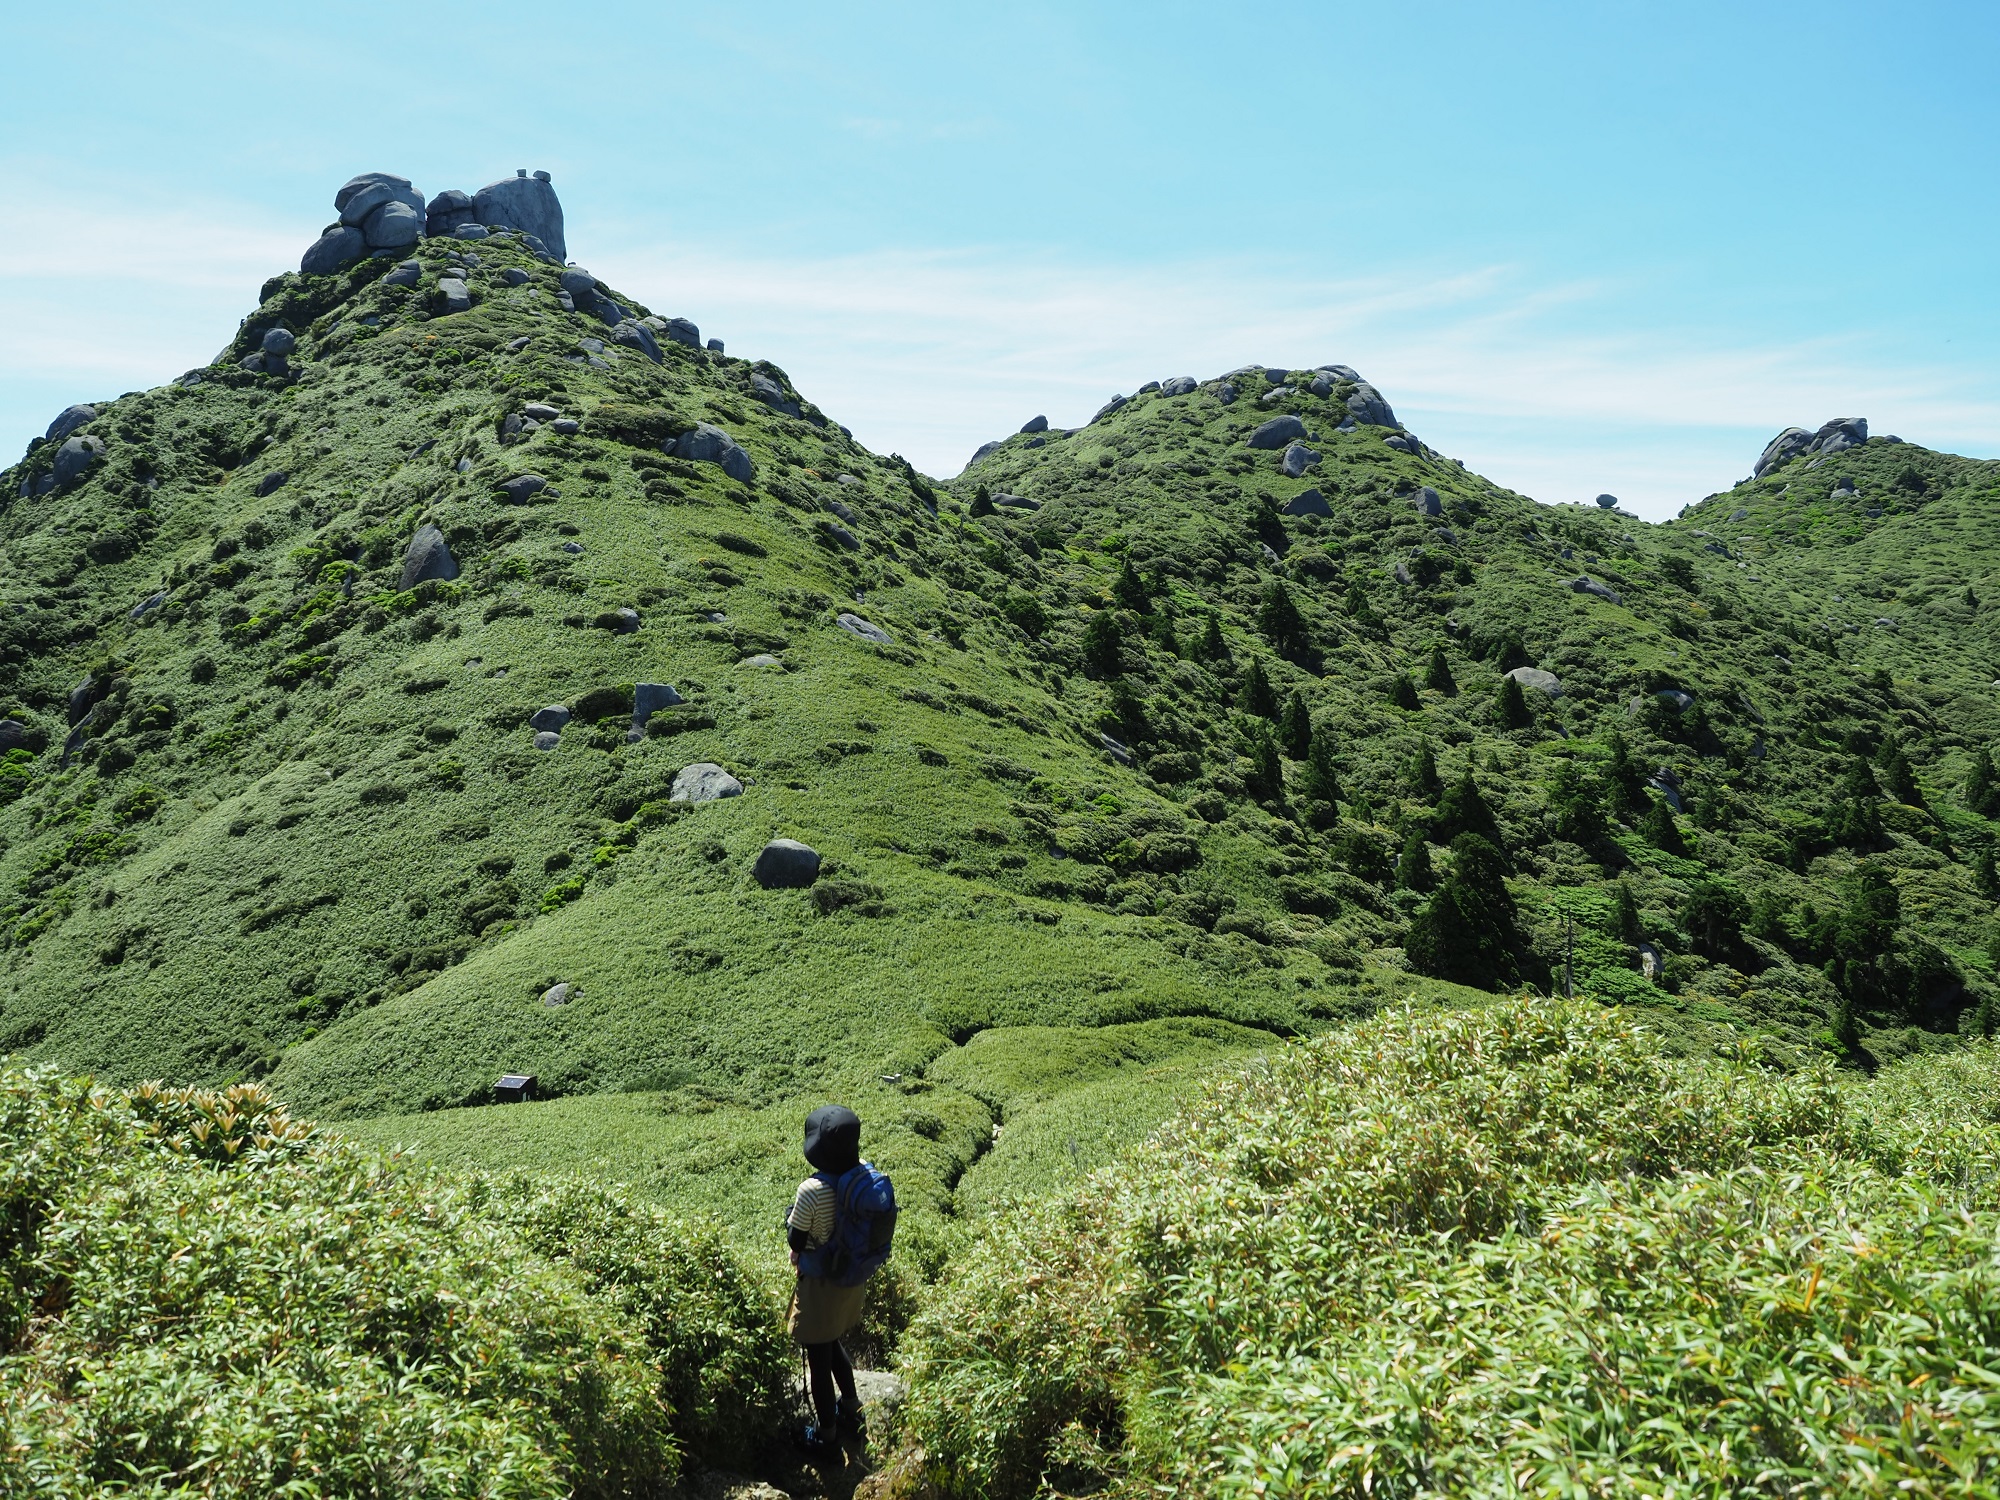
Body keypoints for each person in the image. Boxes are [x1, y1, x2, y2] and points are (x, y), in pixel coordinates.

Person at [787, 1104, 869, 1454]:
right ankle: (852, 1410)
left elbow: (796, 1240)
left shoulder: (811, 1189)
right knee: (833, 1342)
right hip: (851, 1280)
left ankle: (827, 1436)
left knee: (818, 1361)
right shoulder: (864, 1173)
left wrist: (792, 1220)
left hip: (820, 1284)